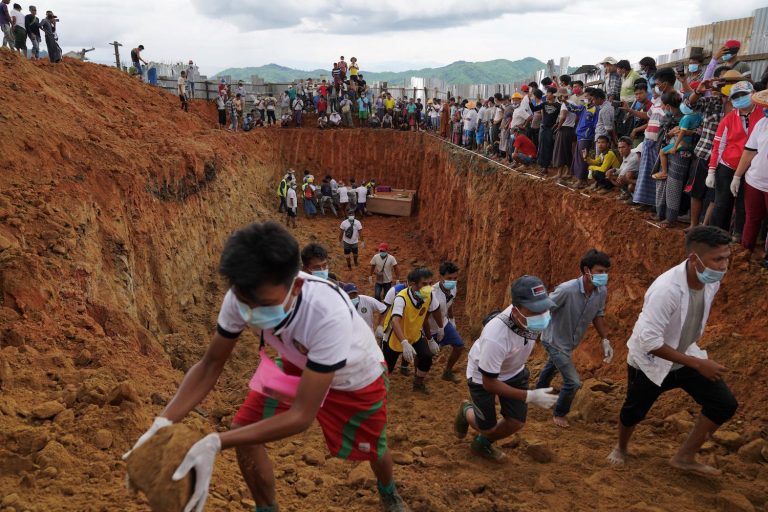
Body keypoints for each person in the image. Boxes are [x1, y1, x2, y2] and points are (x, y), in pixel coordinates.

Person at [123, 222, 408, 512]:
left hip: (355, 378)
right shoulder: (242, 296)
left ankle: (388, 492)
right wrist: (161, 424)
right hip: (298, 364)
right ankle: (266, 508)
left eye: (264, 304)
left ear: (296, 285)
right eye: (246, 303)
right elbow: (210, 365)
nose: (252, 313)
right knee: (244, 431)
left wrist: (215, 442)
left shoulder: (327, 314)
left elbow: (301, 415)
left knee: (375, 448)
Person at [607, 226, 737, 476]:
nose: (723, 266)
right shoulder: (666, 290)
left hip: (685, 356)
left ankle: (685, 456)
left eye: (726, 258)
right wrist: (698, 364)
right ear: (694, 259)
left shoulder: (711, 282)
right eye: (717, 259)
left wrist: (693, 361)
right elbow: (649, 342)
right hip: (649, 362)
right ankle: (621, 447)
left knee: (724, 404)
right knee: (634, 411)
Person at [453, 275, 558, 461]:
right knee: (487, 426)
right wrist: (530, 396)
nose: (542, 316)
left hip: (514, 370)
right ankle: (466, 410)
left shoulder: (528, 319)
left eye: (544, 308)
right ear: (516, 311)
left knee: (516, 422)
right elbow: (489, 383)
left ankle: (482, 444)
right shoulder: (496, 336)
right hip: (483, 374)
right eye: (535, 311)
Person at [535, 250, 613, 428]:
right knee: (573, 382)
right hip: (553, 339)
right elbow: (545, 307)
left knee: (552, 365)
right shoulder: (567, 290)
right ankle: (560, 412)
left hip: (570, 341)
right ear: (587, 270)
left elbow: (598, 314)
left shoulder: (601, 292)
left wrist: (605, 340)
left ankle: (538, 392)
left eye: (606, 271)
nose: (604, 275)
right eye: (600, 271)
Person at [707, 81, 762, 240]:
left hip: (752, 169)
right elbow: (719, 145)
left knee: (745, 206)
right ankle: (717, 236)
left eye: (743, 95)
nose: (740, 99)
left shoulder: (763, 115)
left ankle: (739, 237)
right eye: (736, 97)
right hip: (727, 167)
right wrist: (712, 170)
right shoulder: (729, 119)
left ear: (752, 93)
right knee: (722, 204)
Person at [381, 268, 442, 393]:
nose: (429, 287)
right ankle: (379, 391)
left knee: (426, 357)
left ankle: (418, 384)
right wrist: (404, 343)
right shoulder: (401, 298)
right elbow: (395, 321)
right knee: (387, 368)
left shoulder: (429, 295)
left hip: (414, 334)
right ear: (413, 284)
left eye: (430, 283)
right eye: (425, 284)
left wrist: (430, 339)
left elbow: (425, 317)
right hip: (394, 337)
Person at [634, 68, 677, 210]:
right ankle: (644, 202)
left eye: (657, 84)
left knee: (655, 173)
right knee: (646, 173)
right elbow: (648, 116)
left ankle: (654, 205)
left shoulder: (675, 98)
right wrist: (630, 111)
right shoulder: (657, 101)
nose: (655, 88)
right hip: (649, 140)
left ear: (664, 84)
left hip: (660, 142)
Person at [731, 97, 768, 264]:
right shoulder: (762, 124)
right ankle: (745, 251)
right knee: (752, 217)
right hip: (754, 180)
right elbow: (749, 152)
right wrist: (737, 176)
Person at [428, 262, 465, 383]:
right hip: (430, 327)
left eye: (455, 278)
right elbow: (425, 316)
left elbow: (449, 304)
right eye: (449, 278)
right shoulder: (432, 292)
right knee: (425, 355)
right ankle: (419, 379)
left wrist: (452, 319)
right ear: (441, 277)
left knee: (459, 346)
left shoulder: (453, 288)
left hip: (444, 323)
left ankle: (447, 372)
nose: (453, 281)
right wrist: (429, 337)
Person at [653, 96, 702, 181]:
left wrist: (675, 146)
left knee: (662, 152)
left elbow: (682, 132)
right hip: (690, 143)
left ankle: (664, 172)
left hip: (682, 144)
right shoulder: (698, 116)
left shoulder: (687, 117)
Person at [552, 88, 578, 181]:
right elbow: (577, 116)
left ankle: (559, 173)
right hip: (572, 129)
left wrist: (558, 127)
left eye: (558, 96)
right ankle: (568, 172)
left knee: (561, 152)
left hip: (564, 129)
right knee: (568, 152)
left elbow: (563, 116)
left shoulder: (564, 104)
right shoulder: (573, 103)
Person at [608, 136, 640, 201]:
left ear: (630, 147)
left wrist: (611, 178)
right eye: (619, 148)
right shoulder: (626, 155)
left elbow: (621, 176)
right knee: (616, 174)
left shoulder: (633, 158)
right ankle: (627, 194)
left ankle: (634, 198)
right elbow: (622, 169)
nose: (620, 150)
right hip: (634, 179)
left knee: (627, 176)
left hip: (639, 180)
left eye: (623, 147)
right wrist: (613, 170)